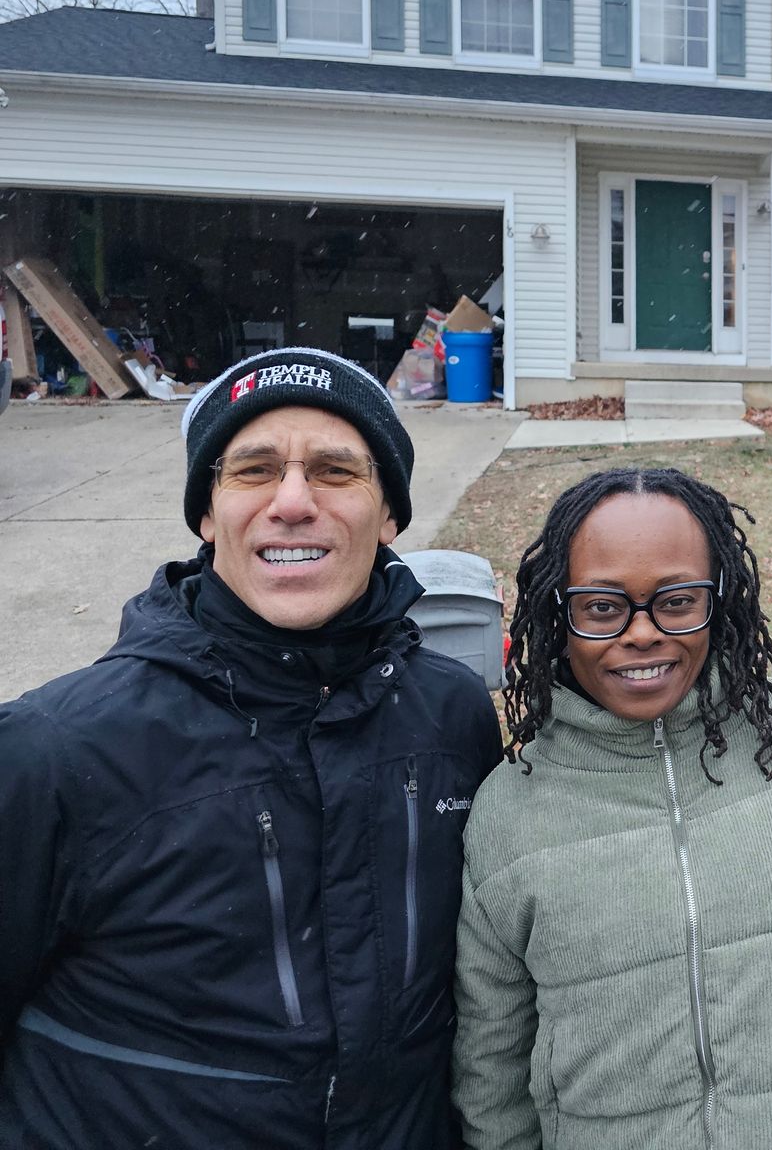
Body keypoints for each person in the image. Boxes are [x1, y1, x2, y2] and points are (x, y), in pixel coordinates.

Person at [0, 348, 503, 1149]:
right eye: (254, 470)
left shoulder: (450, 716)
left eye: (337, 471)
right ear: (207, 514)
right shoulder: (55, 753)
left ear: (391, 516)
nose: (293, 502)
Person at [452, 467, 772, 1150]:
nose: (641, 633)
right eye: (603, 606)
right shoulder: (509, 811)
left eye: (676, 600)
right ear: (560, 613)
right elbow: (490, 1057)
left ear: (720, 599)